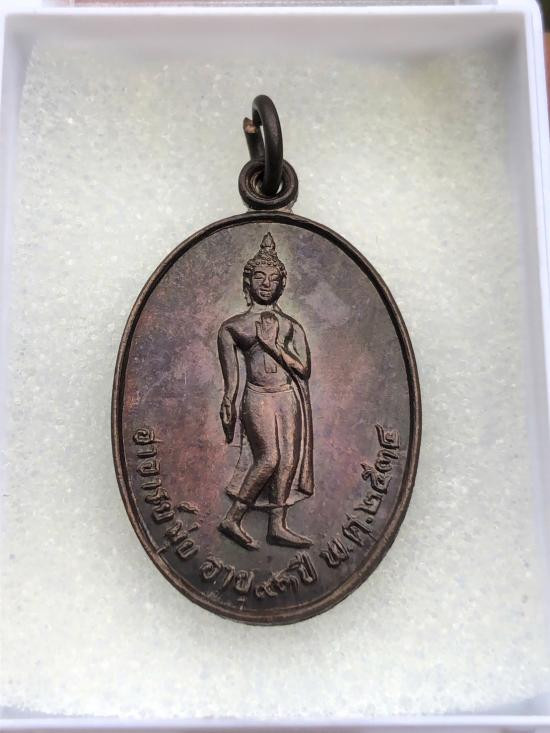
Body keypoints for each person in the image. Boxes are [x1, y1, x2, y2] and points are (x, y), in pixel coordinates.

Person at [217, 232, 314, 550]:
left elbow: (303, 370)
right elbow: (231, 379)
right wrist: (228, 401)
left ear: (281, 284)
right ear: (248, 281)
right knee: (269, 457)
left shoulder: (291, 326)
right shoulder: (232, 327)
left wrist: (272, 346)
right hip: (257, 396)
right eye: (259, 276)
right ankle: (232, 518)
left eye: (273, 278)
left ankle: (277, 525)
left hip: (287, 396)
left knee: (288, 460)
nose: (266, 283)